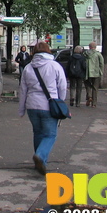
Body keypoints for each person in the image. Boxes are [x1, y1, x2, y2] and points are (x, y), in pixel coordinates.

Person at [18, 41, 68, 175]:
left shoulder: (29, 67)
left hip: (31, 106)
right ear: (48, 51)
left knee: (38, 133)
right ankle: (40, 156)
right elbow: (62, 86)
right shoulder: (55, 66)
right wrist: (60, 102)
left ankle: (40, 163)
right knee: (50, 135)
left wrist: (21, 109)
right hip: (49, 105)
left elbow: (23, 90)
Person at [85, 41, 104, 107]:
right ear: (95, 47)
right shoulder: (98, 54)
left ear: (89, 47)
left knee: (87, 85)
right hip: (96, 73)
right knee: (95, 88)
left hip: (87, 73)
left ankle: (89, 96)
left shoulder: (85, 54)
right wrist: (101, 71)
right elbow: (101, 63)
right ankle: (94, 104)